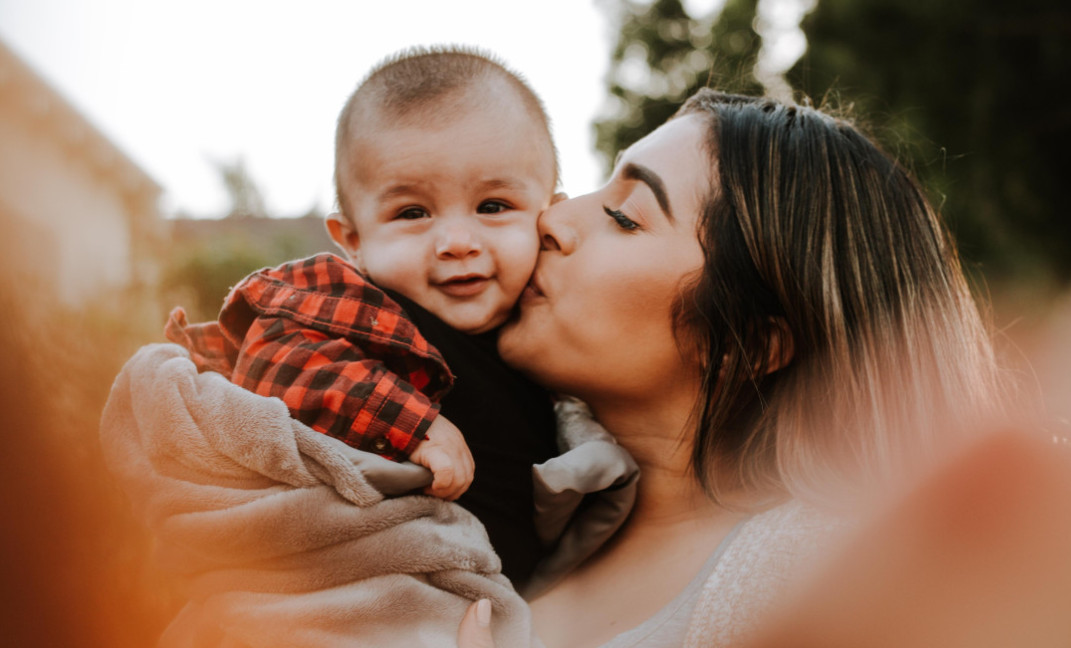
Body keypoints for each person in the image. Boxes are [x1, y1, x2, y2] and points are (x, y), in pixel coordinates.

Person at [454, 86, 1003, 647]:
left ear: (746, 344)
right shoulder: (504, 503)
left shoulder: (824, 584)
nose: (554, 216)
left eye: (624, 216)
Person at [162, 45, 563, 591]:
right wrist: (412, 425)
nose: (457, 243)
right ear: (353, 241)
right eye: (412, 213)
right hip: (358, 594)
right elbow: (277, 357)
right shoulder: (360, 305)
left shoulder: (555, 327)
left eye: (493, 206)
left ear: (551, 214)